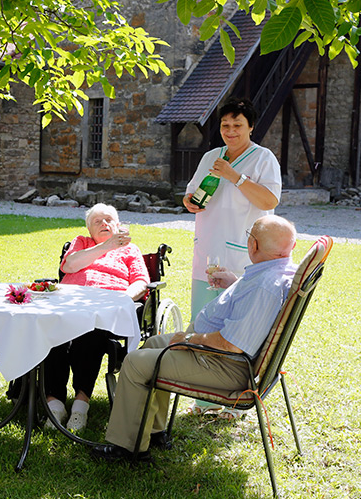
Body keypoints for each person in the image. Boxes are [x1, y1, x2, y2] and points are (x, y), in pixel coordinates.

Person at [90, 215, 297, 463]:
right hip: (224, 359)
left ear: (253, 245)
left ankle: (128, 449)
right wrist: (234, 283)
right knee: (156, 344)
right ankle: (153, 432)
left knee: (136, 363)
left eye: (249, 237)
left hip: (226, 365)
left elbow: (232, 344)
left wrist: (190, 338)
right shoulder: (277, 269)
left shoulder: (266, 286)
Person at [182, 96, 282, 420]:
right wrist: (189, 201)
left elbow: (269, 199)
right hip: (207, 250)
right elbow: (192, 191)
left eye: (238, 125)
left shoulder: (263, 159)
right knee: (204, 321)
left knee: (236, 331)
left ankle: (235, 403)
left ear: (250, 127)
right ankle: (203, 398)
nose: (230, 130)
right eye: (225, 125)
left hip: (243, 255)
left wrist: (235, 176)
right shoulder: (212, 156)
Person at [42, 203, 149, 431]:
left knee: (91, 334)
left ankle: (81, 405)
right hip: (70, 303)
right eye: (97, 221)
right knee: (51, 330)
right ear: (89, 229)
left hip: (107, 307)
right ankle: (55, 403)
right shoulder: (81, 242)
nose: (104, 224)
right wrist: (106, 246)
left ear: (118, 225)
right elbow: (69, 265)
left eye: (109, 219)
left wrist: (122, 299)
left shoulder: (130, 250)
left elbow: (141, 282)